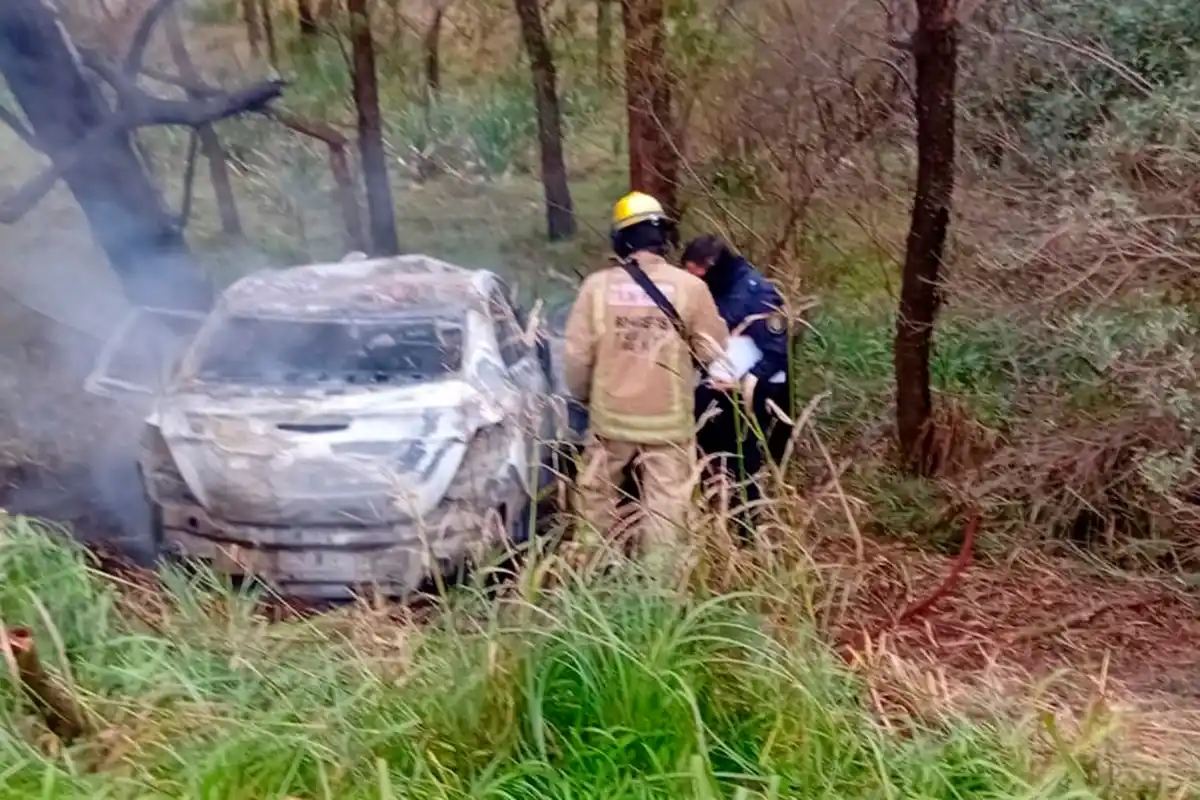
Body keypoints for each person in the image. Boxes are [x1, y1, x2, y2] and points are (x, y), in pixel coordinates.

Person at [562, 192, 729, 579]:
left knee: (596, 497)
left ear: (620, 239)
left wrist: (585, 398)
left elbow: (576, 357)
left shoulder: (596, 288)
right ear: (663, 239)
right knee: (668, 506)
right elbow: (713, 350)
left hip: (611, 420)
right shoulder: (690, 288)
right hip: (667, 422)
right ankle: (659, 589)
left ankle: (591, 576)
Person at [682, 235, 795, 534]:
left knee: (743, 465)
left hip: (748, 397)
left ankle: (744, 532)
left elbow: (777, 353)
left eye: (697, 274)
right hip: (710, 391)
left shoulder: (758, 293)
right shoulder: (707, 292)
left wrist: (744, 382)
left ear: (711, 266)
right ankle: (709, 524)